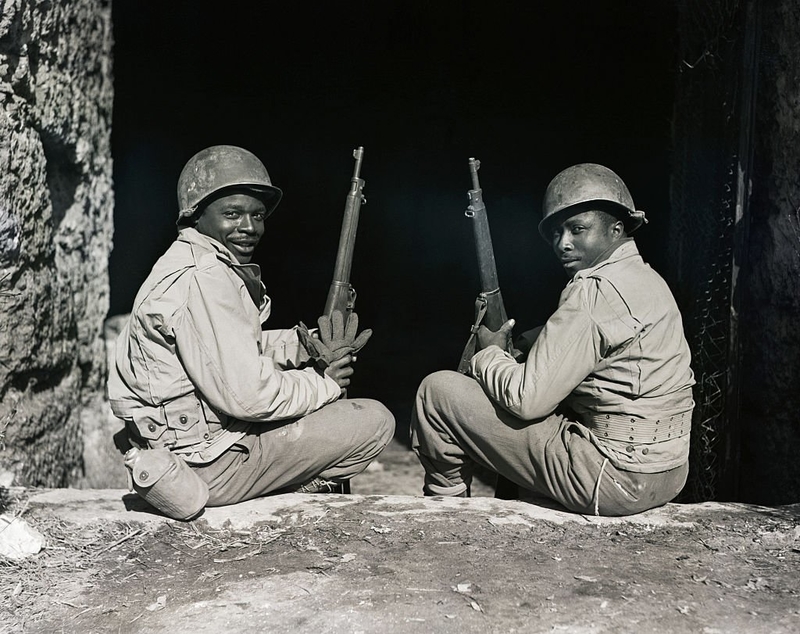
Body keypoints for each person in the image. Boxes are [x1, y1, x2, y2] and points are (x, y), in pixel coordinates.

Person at [108, 145, 394, 520]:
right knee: (373, 421)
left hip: (192, 448)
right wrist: (323, 383)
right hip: (208, 464)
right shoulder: (205, 278)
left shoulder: (194, 261)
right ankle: (286, 499)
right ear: (196, 216)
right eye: (232, 214)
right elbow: (249, 398)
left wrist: (302, 344)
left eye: (257, 215)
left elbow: (231, 347)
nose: (249, 228)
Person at [411, 163, 694, 516]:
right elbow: (597, 339)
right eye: (557, 233)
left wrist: (491, 354)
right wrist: (530, 341)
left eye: (578, 229)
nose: (563, 244)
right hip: (667, 474)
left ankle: (446, 509)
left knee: (438, 393)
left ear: (616, 229)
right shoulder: (647, 280)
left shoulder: (592, 294)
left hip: (613, 480)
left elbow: (526, 400)